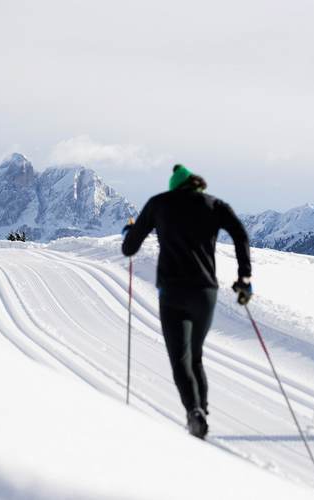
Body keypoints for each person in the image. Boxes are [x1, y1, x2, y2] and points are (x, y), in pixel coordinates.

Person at [122, 164, 252, 438]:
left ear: (174, 186)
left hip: (173, 292)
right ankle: (201, 411)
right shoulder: (215, 205)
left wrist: (129, 233)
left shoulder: (159, 203)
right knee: (196, 357)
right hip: (205, 292)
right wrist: (245, 277)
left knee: (180, 358)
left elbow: (129, 247)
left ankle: (194, 412)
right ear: (197, 185)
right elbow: (241, 235)